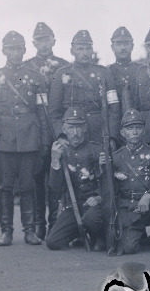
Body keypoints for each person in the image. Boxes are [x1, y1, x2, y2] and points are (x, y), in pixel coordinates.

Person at [0, 31, 49, 245]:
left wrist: (44, 140)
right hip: (3, 139)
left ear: (25, 50)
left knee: (28, 185)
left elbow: (42, 112)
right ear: (3, 51)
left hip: (28, 138)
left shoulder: (36, 77)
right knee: (5, 186)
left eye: (19, 48)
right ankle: (6, 231)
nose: (15, 52)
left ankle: (29, 231)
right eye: (10, 48)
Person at [23, 22, 71, 239]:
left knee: (55, 178)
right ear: (34, 43)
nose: (43, 44)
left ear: (54, 40)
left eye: (47, 39)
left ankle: (54, 223)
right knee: (36, 178)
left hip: (56, 129)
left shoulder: (64, 66)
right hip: (34, 130)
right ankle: (38, 224)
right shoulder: (27, 67)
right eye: (39, 40)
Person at [112, 109, 150, 255]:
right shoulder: (116, 158)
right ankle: (140, 234)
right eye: (130, 128)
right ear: (122, 132)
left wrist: (148, 195)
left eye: (138, 128)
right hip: (129, 208)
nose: (134, 132)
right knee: (129, 248)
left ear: (144, 131)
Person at [45, 107, 106, 251]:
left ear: (85, 128)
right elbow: (56, 188)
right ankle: (79, 233)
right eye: (71, 127)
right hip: (74, 205)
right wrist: (55, 161)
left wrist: (99, 197)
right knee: (53, 241)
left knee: (92, 219)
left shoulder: (97, 150)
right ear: (63, 129)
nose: (75, 132)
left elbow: (108, 182)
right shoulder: (61, 152)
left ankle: (98, 235)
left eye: (79, 127)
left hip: (94, 205)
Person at [48, 30, 121, 147]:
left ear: (92, 50)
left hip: (100, 131)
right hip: (72, 133)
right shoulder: (61, 73)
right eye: (80, 49)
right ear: (72, 51)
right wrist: (60, 135)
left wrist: (112, 137)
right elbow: (53, 111)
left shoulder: (104, 73)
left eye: (88, 49)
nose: (85, 53)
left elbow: (114, 108)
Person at [108, 26, 142, 116]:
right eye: (118, 44)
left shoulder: (142, 70)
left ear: (132, 46)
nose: (123, 48)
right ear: (112, 47)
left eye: (126, 43)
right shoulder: (107, 72)